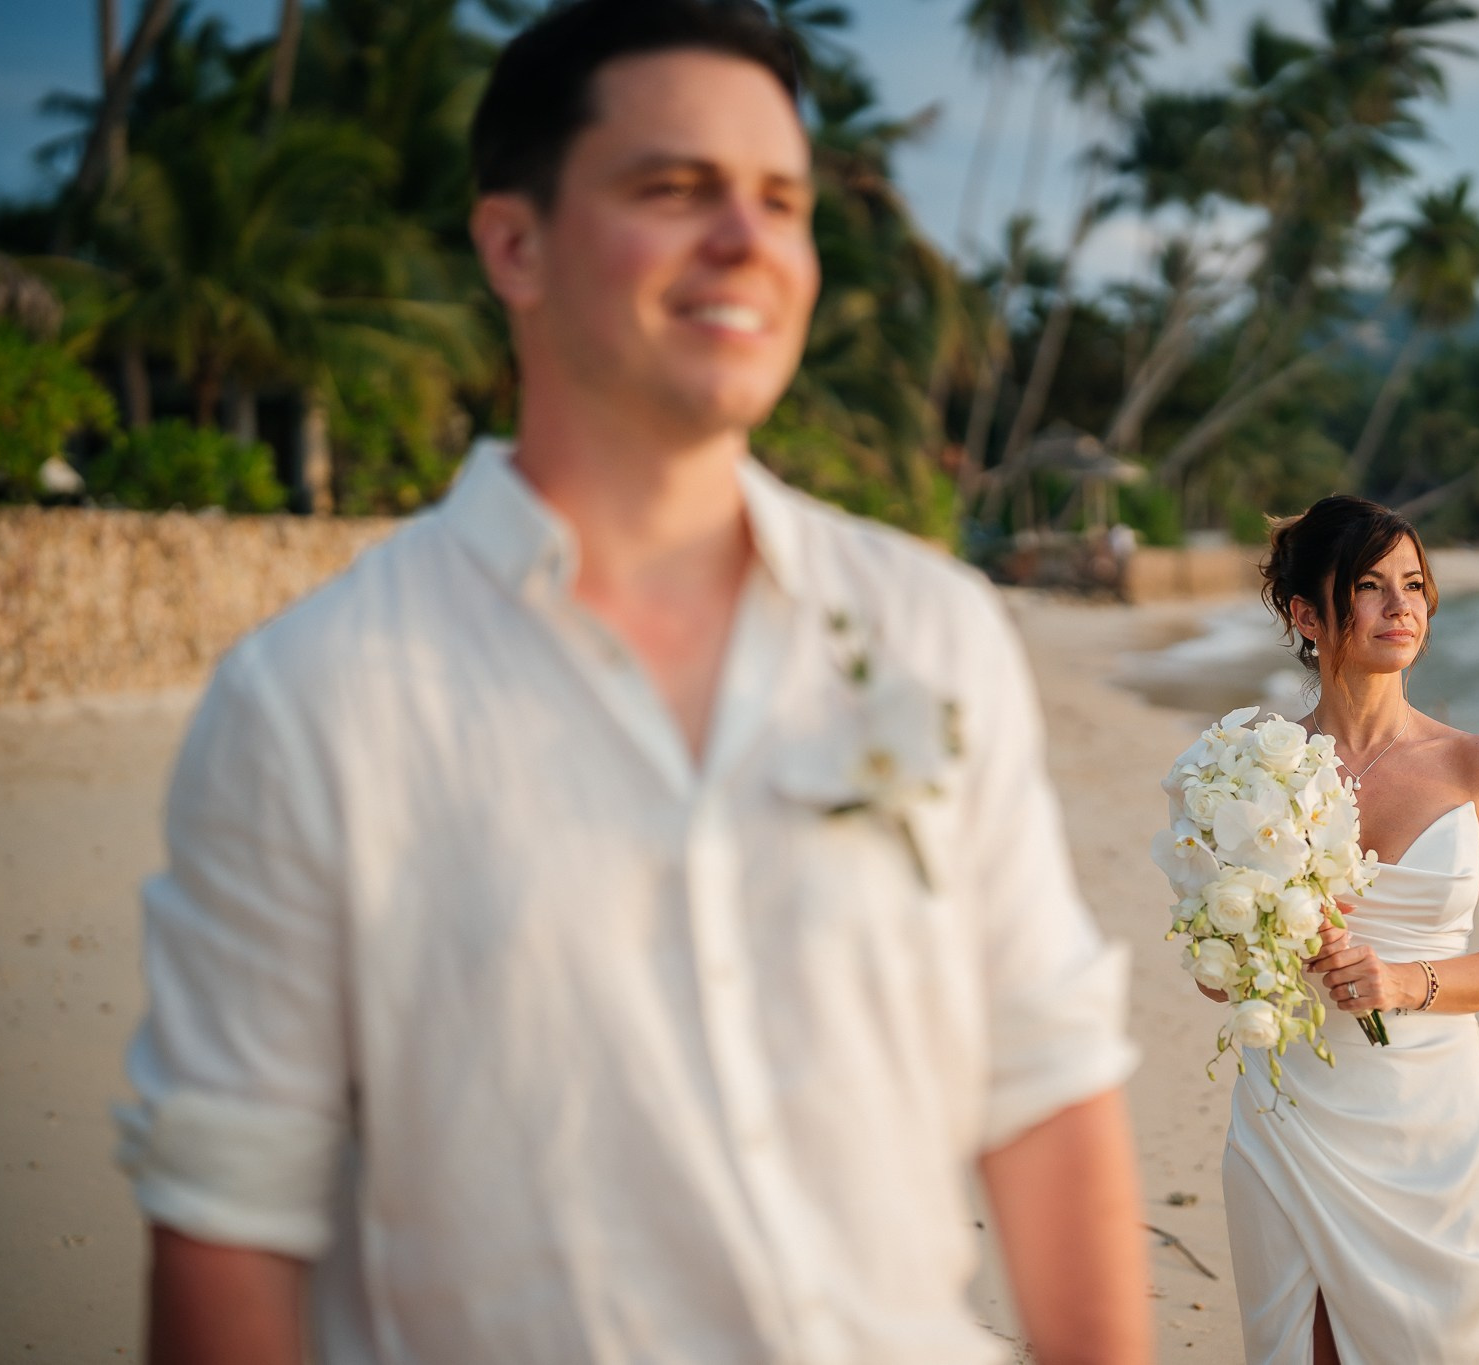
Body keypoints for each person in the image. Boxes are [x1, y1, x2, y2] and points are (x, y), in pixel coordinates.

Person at [115, 4, 1148, 1362]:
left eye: (781, 202)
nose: (746, 242)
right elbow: (231, 1227)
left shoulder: (934, 633)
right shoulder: (312, 705)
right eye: (675, 190)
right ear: (514, 242)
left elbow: (1047, 1086)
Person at [1204, 496, 1479, 1364]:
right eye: (1370, 586)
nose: (1403, 608)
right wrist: (1259, 950)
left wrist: (1404, 982)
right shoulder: (1253, 767)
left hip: (1430, 1125)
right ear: (1307, 614)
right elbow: (1219, 975)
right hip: (1292, 1112)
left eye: (1416, 584)